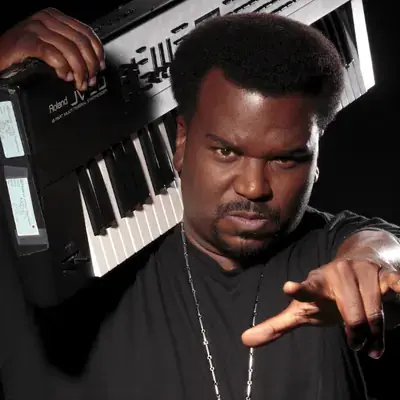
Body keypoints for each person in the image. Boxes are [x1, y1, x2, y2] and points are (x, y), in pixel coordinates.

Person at [1, 8, 400, 400]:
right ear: (181, 142)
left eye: (284, 159)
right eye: (226, 151)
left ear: (315, 160)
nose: (252, 187)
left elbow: (382, 247)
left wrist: (371, 267)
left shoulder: (329, 248)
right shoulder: (73, 277)